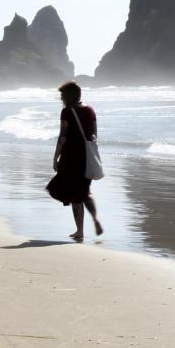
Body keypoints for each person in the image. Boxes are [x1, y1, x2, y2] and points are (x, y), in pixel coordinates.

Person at [46, 81, 103, 242]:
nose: (61, 98)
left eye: (63, 95)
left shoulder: (67, 112)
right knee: (85, 190)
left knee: (72, 193)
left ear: (69, 95)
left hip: (71, 156)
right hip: (87, 156)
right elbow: (94, 134)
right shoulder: (90, 110)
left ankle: (80, 231)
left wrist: (55, 156)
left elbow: (62, 136)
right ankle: (95, 219)